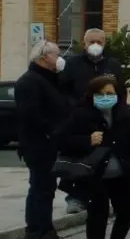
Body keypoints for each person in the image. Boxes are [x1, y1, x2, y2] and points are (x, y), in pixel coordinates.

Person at [54, 75, 130, 239]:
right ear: (91, 95)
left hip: (122, 175)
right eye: (100, 94)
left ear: (118, 94)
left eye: (110, 93)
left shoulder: (129, 115)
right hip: (94, 175)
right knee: (97, 216)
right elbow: (60, 139)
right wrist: (86, 141)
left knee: (127, 211)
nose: (105, 98)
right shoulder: (80, 115)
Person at [59, 28, 125, 213]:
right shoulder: (72, 64)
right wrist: (74, 108)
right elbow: (63, 90)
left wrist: (121, 112)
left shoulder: (113, 65)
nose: (95, 45)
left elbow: (121, 91)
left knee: (105, 156)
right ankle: (75, 196)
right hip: (81, 117)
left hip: (108, 116)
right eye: (91, 42)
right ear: (84, 43)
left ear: (105, 44)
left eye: (100, 42)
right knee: (80, 156)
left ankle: (103, 194)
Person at [15, 40, 70, 239]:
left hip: (48, 144)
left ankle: (45, 228)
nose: (59, 58)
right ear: (44, 57)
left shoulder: (49, 80)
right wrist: (51, 132)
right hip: (38, 145)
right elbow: (31, 115)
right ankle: (37, 230)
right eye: (56, 54)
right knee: (40, 188)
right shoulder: (29, 81)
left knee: (46, 188)